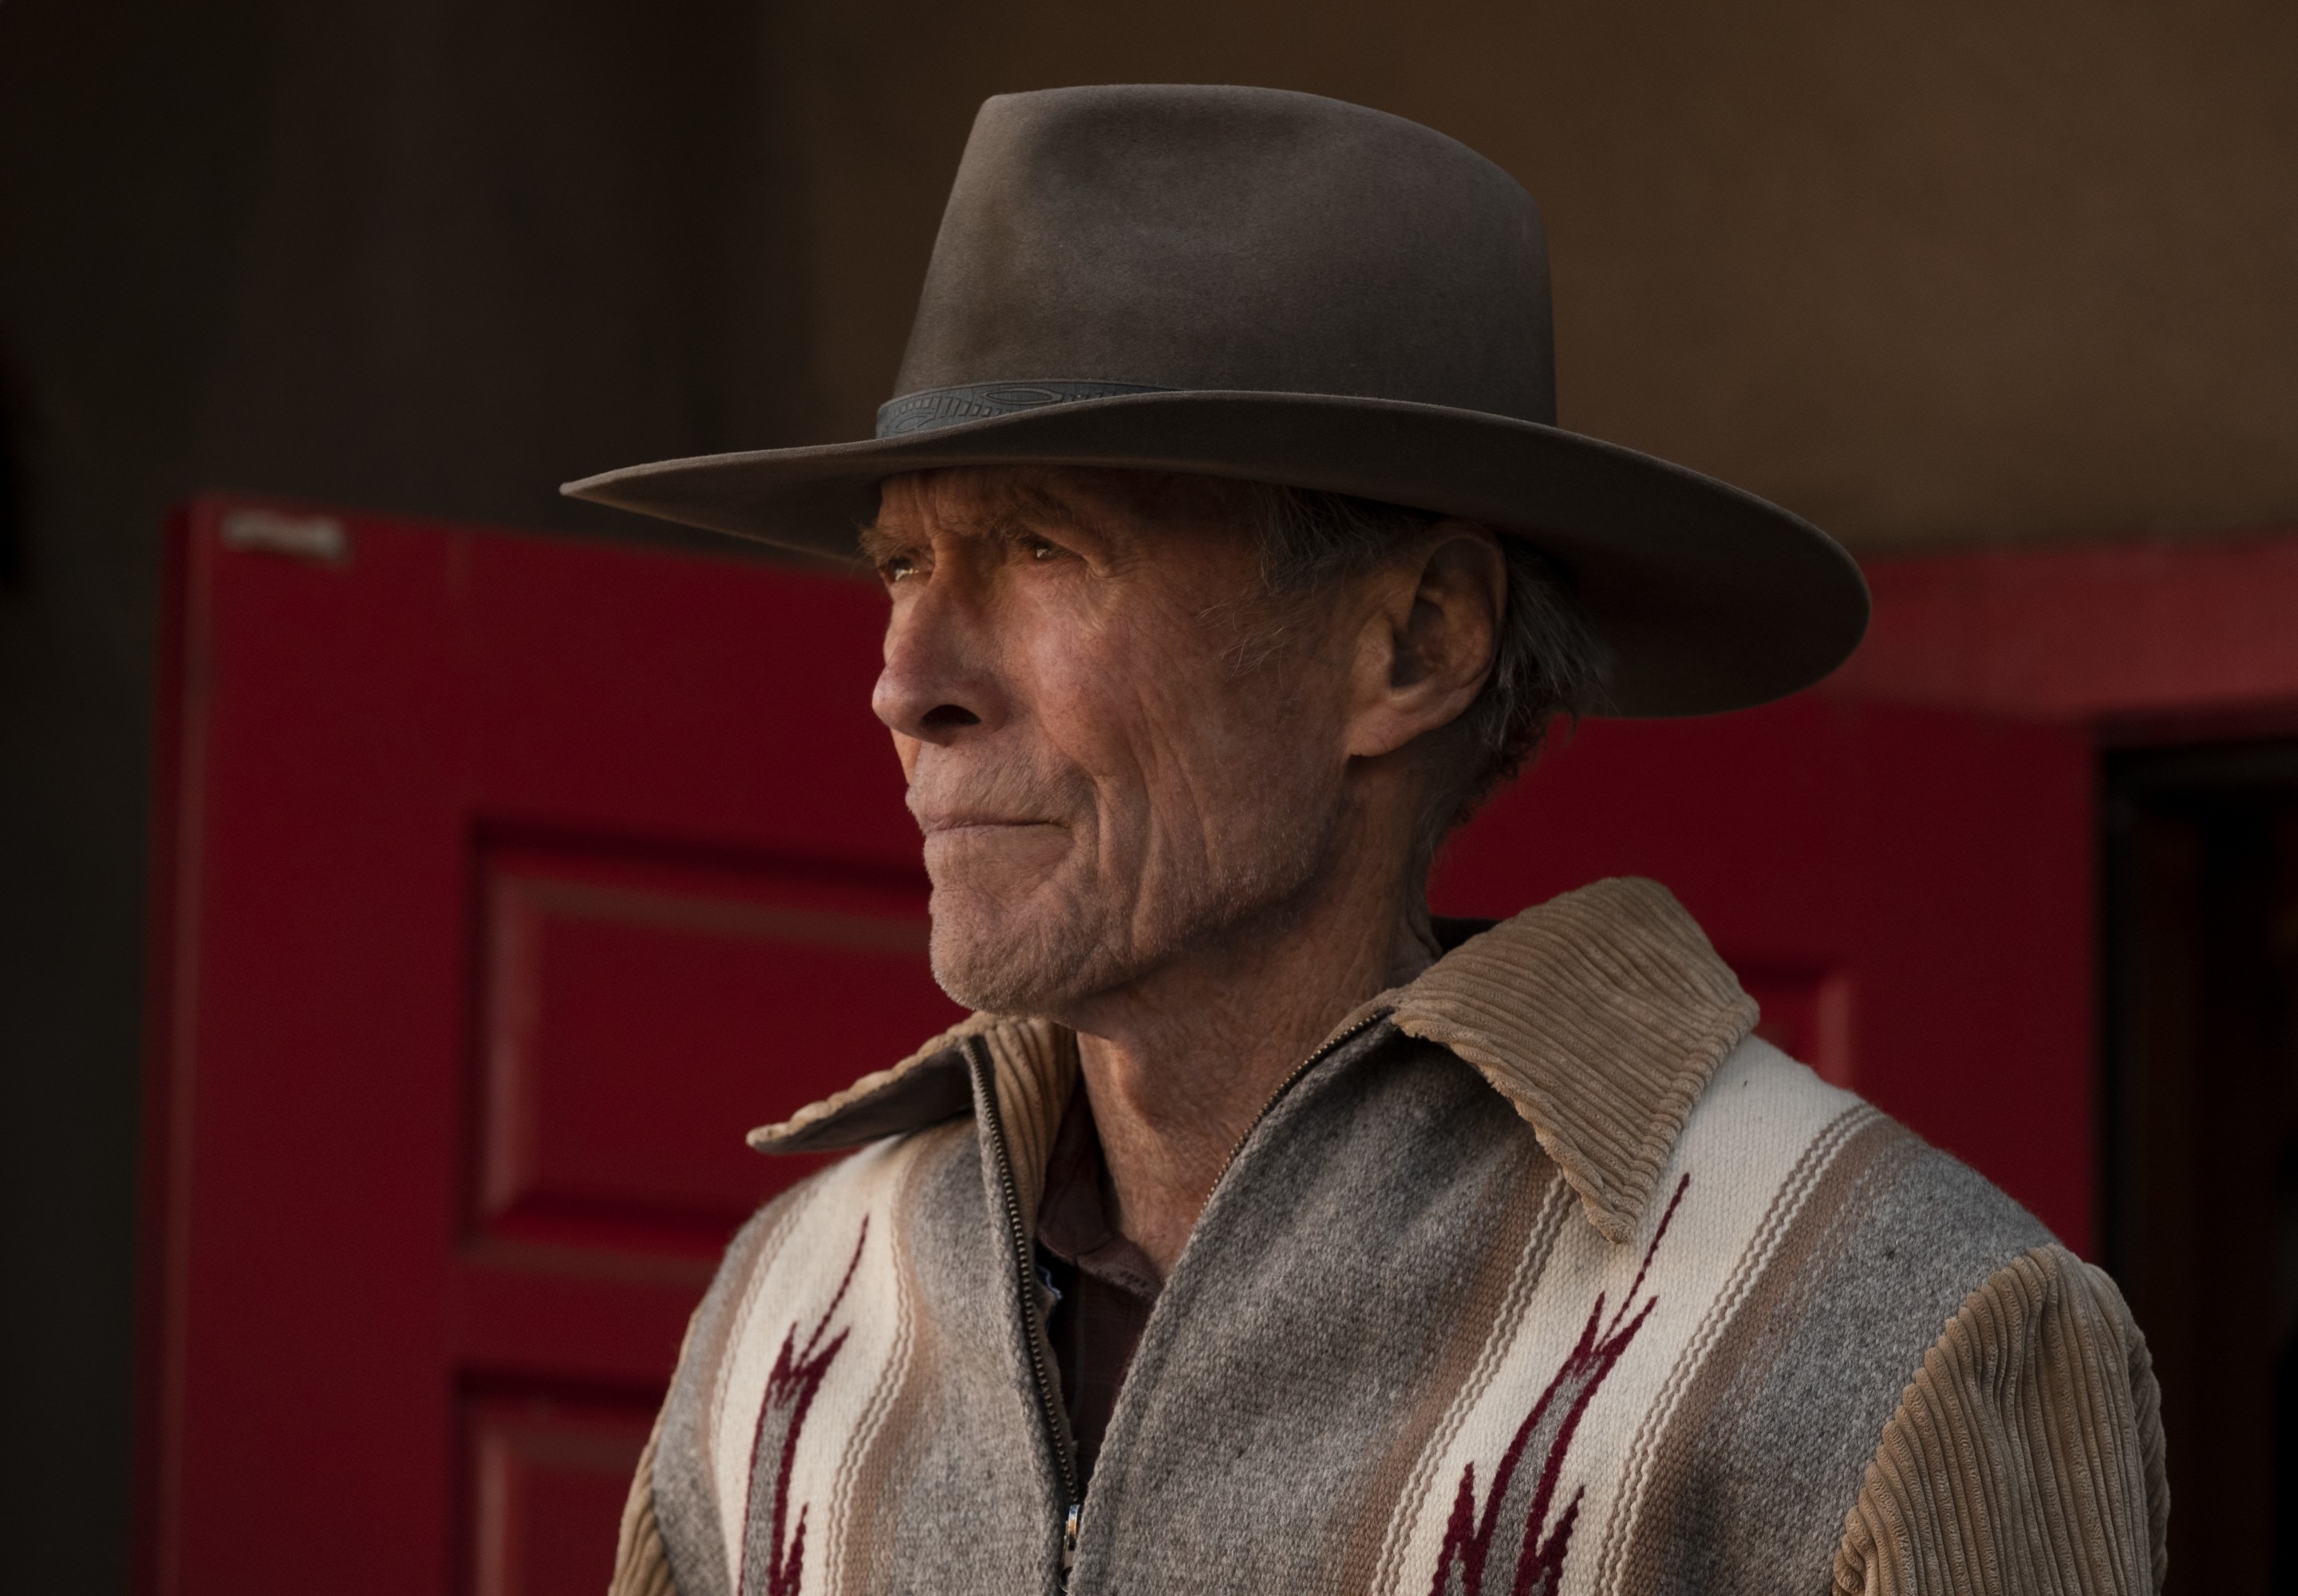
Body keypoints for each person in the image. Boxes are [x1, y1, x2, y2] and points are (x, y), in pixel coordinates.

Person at [566, 84, 2165, 1596]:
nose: (906, 683)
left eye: (1045, 545)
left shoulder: (1879, 1334)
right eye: (903, 563)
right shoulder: (795, 1329)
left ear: (1412, 642)